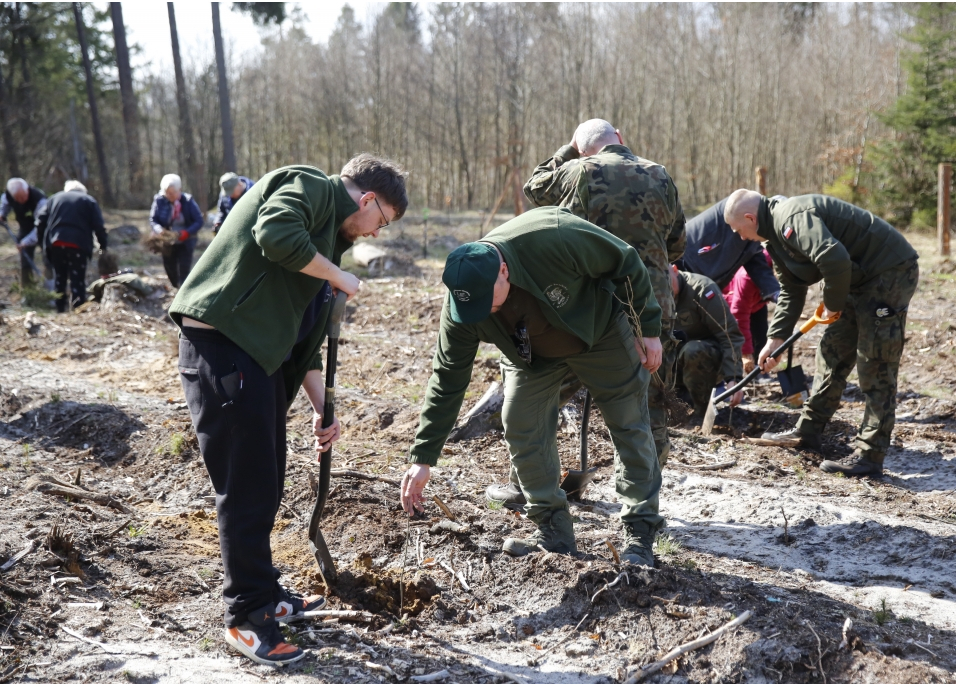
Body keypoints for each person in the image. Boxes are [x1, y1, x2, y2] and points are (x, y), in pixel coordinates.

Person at [168, 156, 407, 666]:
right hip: (223, 344)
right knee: (247, 486)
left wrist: (324, 407)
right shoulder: (308, 186)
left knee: (267, 481)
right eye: (381, 222)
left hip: (259, 357)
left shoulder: (325, 241)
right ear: (367, 200)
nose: (376, 233)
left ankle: (265, 592)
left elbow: (304, 338)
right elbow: (274, 236)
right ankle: (247, 618)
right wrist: (338, 273)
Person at [399, 206, 665, 567]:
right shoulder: (464, 304)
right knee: (520, 420)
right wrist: (424, 456)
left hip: (599, 330)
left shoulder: (552, 235)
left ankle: (640, 532)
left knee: (629, 422)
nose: (483, 313)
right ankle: (553, 531)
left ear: (503, 270)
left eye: (487, 302)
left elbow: (625, 261)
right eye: (472, 308)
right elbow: (448, 377)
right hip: (530, 354)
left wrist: (647, 328)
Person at [518, 117, 686, 474]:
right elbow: (676, 245)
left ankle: (528, 481)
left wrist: (568, 152)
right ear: (620, 138)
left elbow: (534, 188)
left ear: (579, 150)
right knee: (650, 401)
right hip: (651, 308)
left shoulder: (577, 170)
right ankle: (646, 494)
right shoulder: (660, 175)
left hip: (590, 306)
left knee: (548, 390)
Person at [724, 189, 919, 477]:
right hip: (855, 280)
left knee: (875, 364)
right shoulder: (773, 237)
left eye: (739, 230)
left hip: (888, 272)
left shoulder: (791, 217)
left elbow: (833, 257)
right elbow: (791, 288)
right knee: (832, 353)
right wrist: (774, 340)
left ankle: (870, 455)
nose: (740, 237)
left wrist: (832, 303)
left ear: (751, 218)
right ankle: (808, 432)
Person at [677, 197, 779, 373]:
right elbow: (738, 315)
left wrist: (775, 293)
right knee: (694, 339)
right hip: (690, 281)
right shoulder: (732, 217)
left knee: (756, 319)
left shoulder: (751, 231)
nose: (741, 235)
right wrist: (746, 353)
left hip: (719, 289)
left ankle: (751, 371)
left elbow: (755, 258)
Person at [670, 265, 746, 419]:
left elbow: (730, 335)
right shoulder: (647, 292)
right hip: (672, 360)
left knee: (693, 349)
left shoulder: (702, 289)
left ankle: (701, 413)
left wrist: (734, 378)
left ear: (674, 270)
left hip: (707, 360)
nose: (661, 290)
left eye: (665, 282)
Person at [20, 180, 106, 313]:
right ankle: (78, 309)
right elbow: (99, 226)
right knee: (77, 279)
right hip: (78, 244)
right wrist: (103, 246)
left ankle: (60, 309)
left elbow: (40, 222)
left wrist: (43, 243)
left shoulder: (54, 199)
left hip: (56, 244)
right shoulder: (88, 200)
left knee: (60, 277)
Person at [721, 250, 774, 373]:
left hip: (757, 303)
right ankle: (735, 373)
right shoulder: (746, 277)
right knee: (737, 340)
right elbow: (739, 314)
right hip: (735, 304)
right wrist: (746, 352)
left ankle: (761, 369)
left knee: (761, 337)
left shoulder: (777, 262)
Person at [150, 174, 204, 288]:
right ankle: (176, 287)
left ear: (179, 190)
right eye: (167, 193)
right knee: (170, 269)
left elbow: (199, 221)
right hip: (167, 242)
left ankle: (183, 290)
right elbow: (153, 219)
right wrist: (159, 230)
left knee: (184, 270)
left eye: (173, 193)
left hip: (186, 241)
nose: (170, 196)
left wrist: (187, 232)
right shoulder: (159, 201)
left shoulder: (188, 201)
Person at [1, 178, 47, 289]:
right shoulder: (8, 195)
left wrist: (26, 242)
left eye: (24, 196)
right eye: (18, 198)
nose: (22, 199)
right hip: (24, 227)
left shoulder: (40, 200)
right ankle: (28, 290)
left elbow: (40, 227)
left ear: (27, 190)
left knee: (48, 258)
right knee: (25, 260)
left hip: (43, 229)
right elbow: (4, 205)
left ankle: (51, 290)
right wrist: (2, 214)